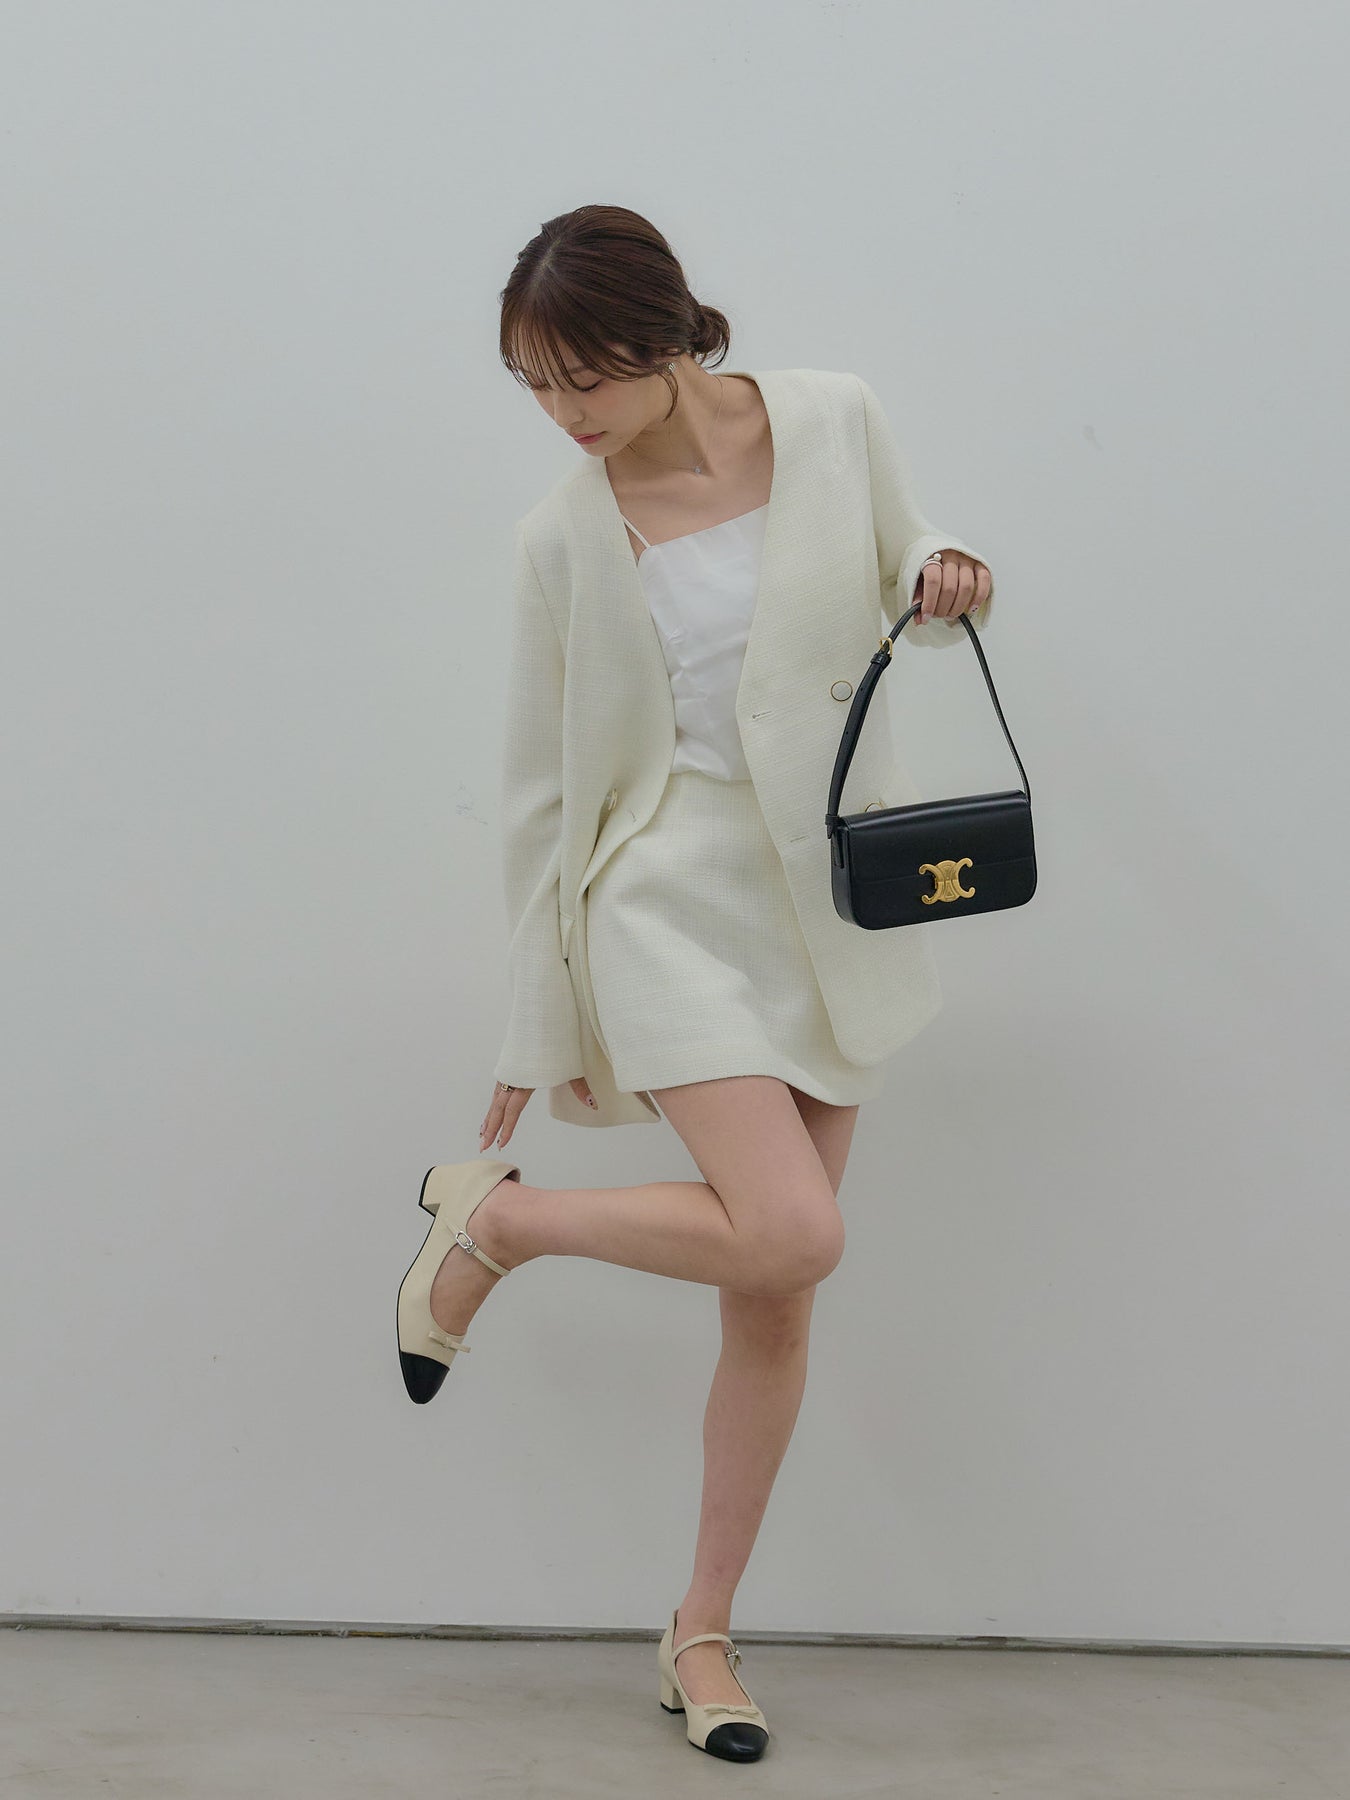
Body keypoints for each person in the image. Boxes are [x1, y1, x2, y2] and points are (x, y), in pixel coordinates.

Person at [396, 204, 996, 1764]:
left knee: (773, 1293)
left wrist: (942, 572)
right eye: (533, 386)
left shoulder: (831, 418)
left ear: (667, 337)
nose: (563, 414)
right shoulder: (562, 537)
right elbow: (542, 793)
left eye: (584, 376)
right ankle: (502, 1223)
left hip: (827, 904)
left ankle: (701, 1633)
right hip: (661, 901)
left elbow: (904, 561)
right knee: (794, 1228)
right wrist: (534, 1014)